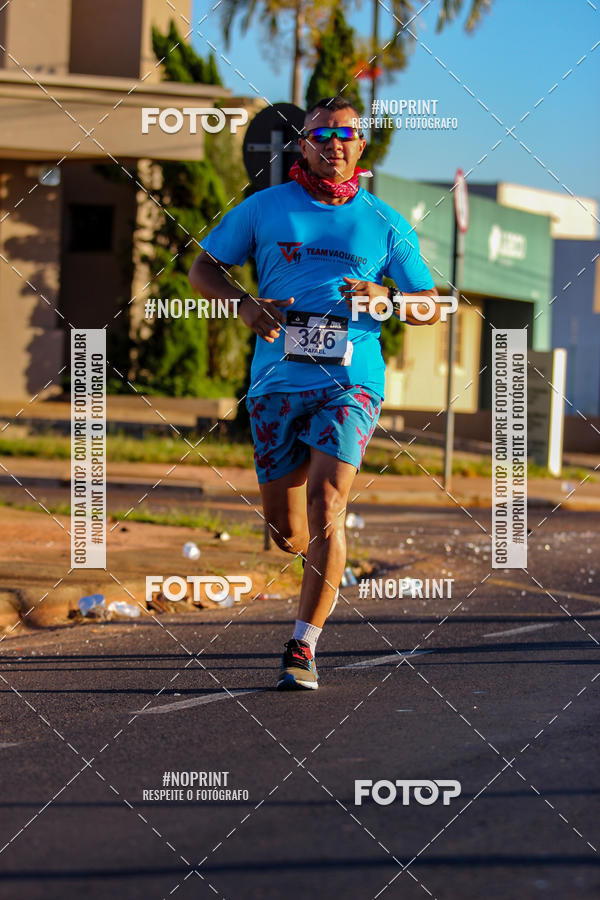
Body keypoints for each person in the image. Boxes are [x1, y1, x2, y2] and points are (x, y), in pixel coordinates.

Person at [189, 96, 440, 691]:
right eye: (322, 134)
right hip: (276, 384)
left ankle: (303, 645)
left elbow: (433, 305)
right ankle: (299, 548)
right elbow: (204, 271)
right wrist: (244, 305)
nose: (334, 144)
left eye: (346, 134)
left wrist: (389, 302)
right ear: (302, 143)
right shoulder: (265, 208)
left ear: (361, 146)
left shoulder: (384, 221)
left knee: (331, 502)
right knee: (286, 532)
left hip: (352, 383)